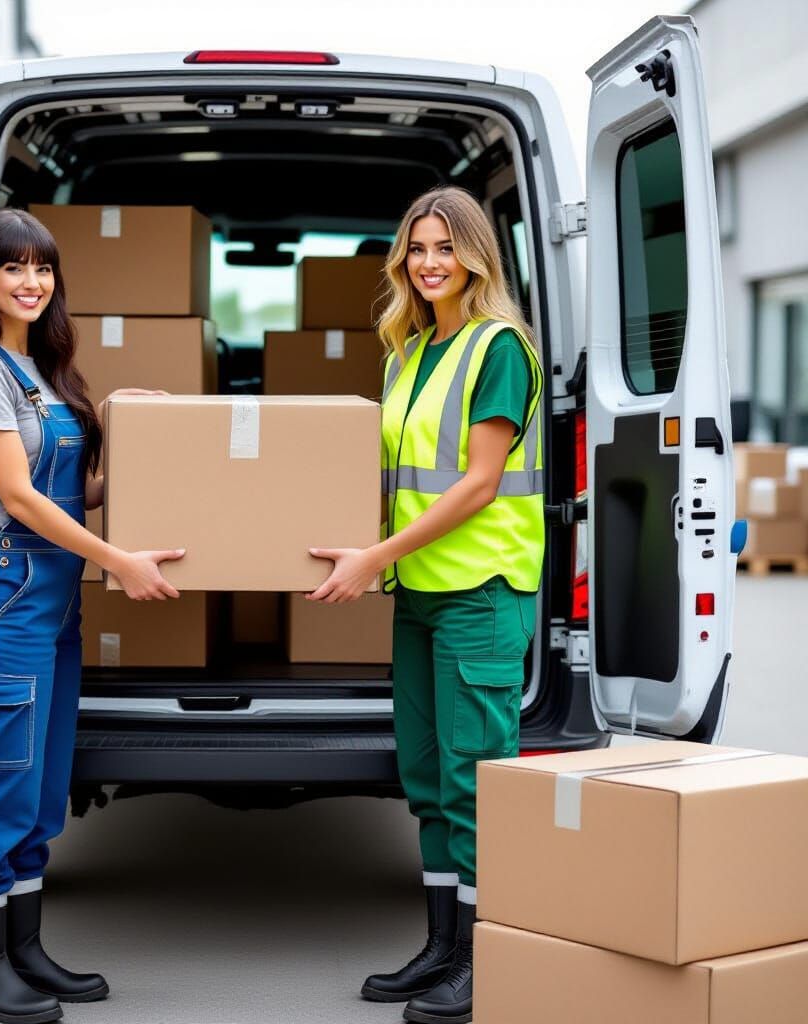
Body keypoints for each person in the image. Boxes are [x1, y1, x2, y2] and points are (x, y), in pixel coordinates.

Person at [0, 208, 183, 1023]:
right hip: (3, 598)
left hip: (52, 603)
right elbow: (15, 497)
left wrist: (138, 436)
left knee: (38, 796)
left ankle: (26, 953)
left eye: (43, 268)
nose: (32, 282)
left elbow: (73, 492)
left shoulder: (38, 370)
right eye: (14, 268)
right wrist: (120, 563)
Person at [308, 185, 544, 1024]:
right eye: (418, 248)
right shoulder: (406, 354)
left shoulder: (499, 349)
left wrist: (375, 555)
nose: (431, 262)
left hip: (481, 591)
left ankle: (485, 962)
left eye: (446, 246)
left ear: (476, 254)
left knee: (477, 784)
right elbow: (392, 481)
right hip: (420, 594)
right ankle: (442, 947)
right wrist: (346, 546)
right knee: (429, 781)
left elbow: (480, 483)